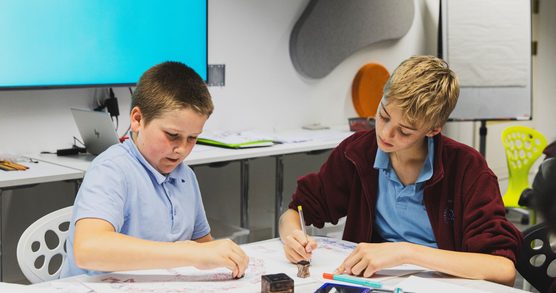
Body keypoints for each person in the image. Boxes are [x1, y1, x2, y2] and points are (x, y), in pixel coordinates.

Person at [279, 55, 522, 286]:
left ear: (433, 129)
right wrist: (292, 237)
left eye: (405, 131)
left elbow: (503, 269)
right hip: (374, 284)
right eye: (383, 116)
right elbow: (296, 211)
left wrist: (406, 252)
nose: (385, 134)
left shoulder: (467, 169)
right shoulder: (357, 153)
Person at [61, 61, 249, 278]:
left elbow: (203, 245)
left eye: (192, 138)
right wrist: (190, 253)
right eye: (172, 135)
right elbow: (88, 250)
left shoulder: (185, 176)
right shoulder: (111, 170)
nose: (181, 149)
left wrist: (221, 256)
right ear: (137, 120)